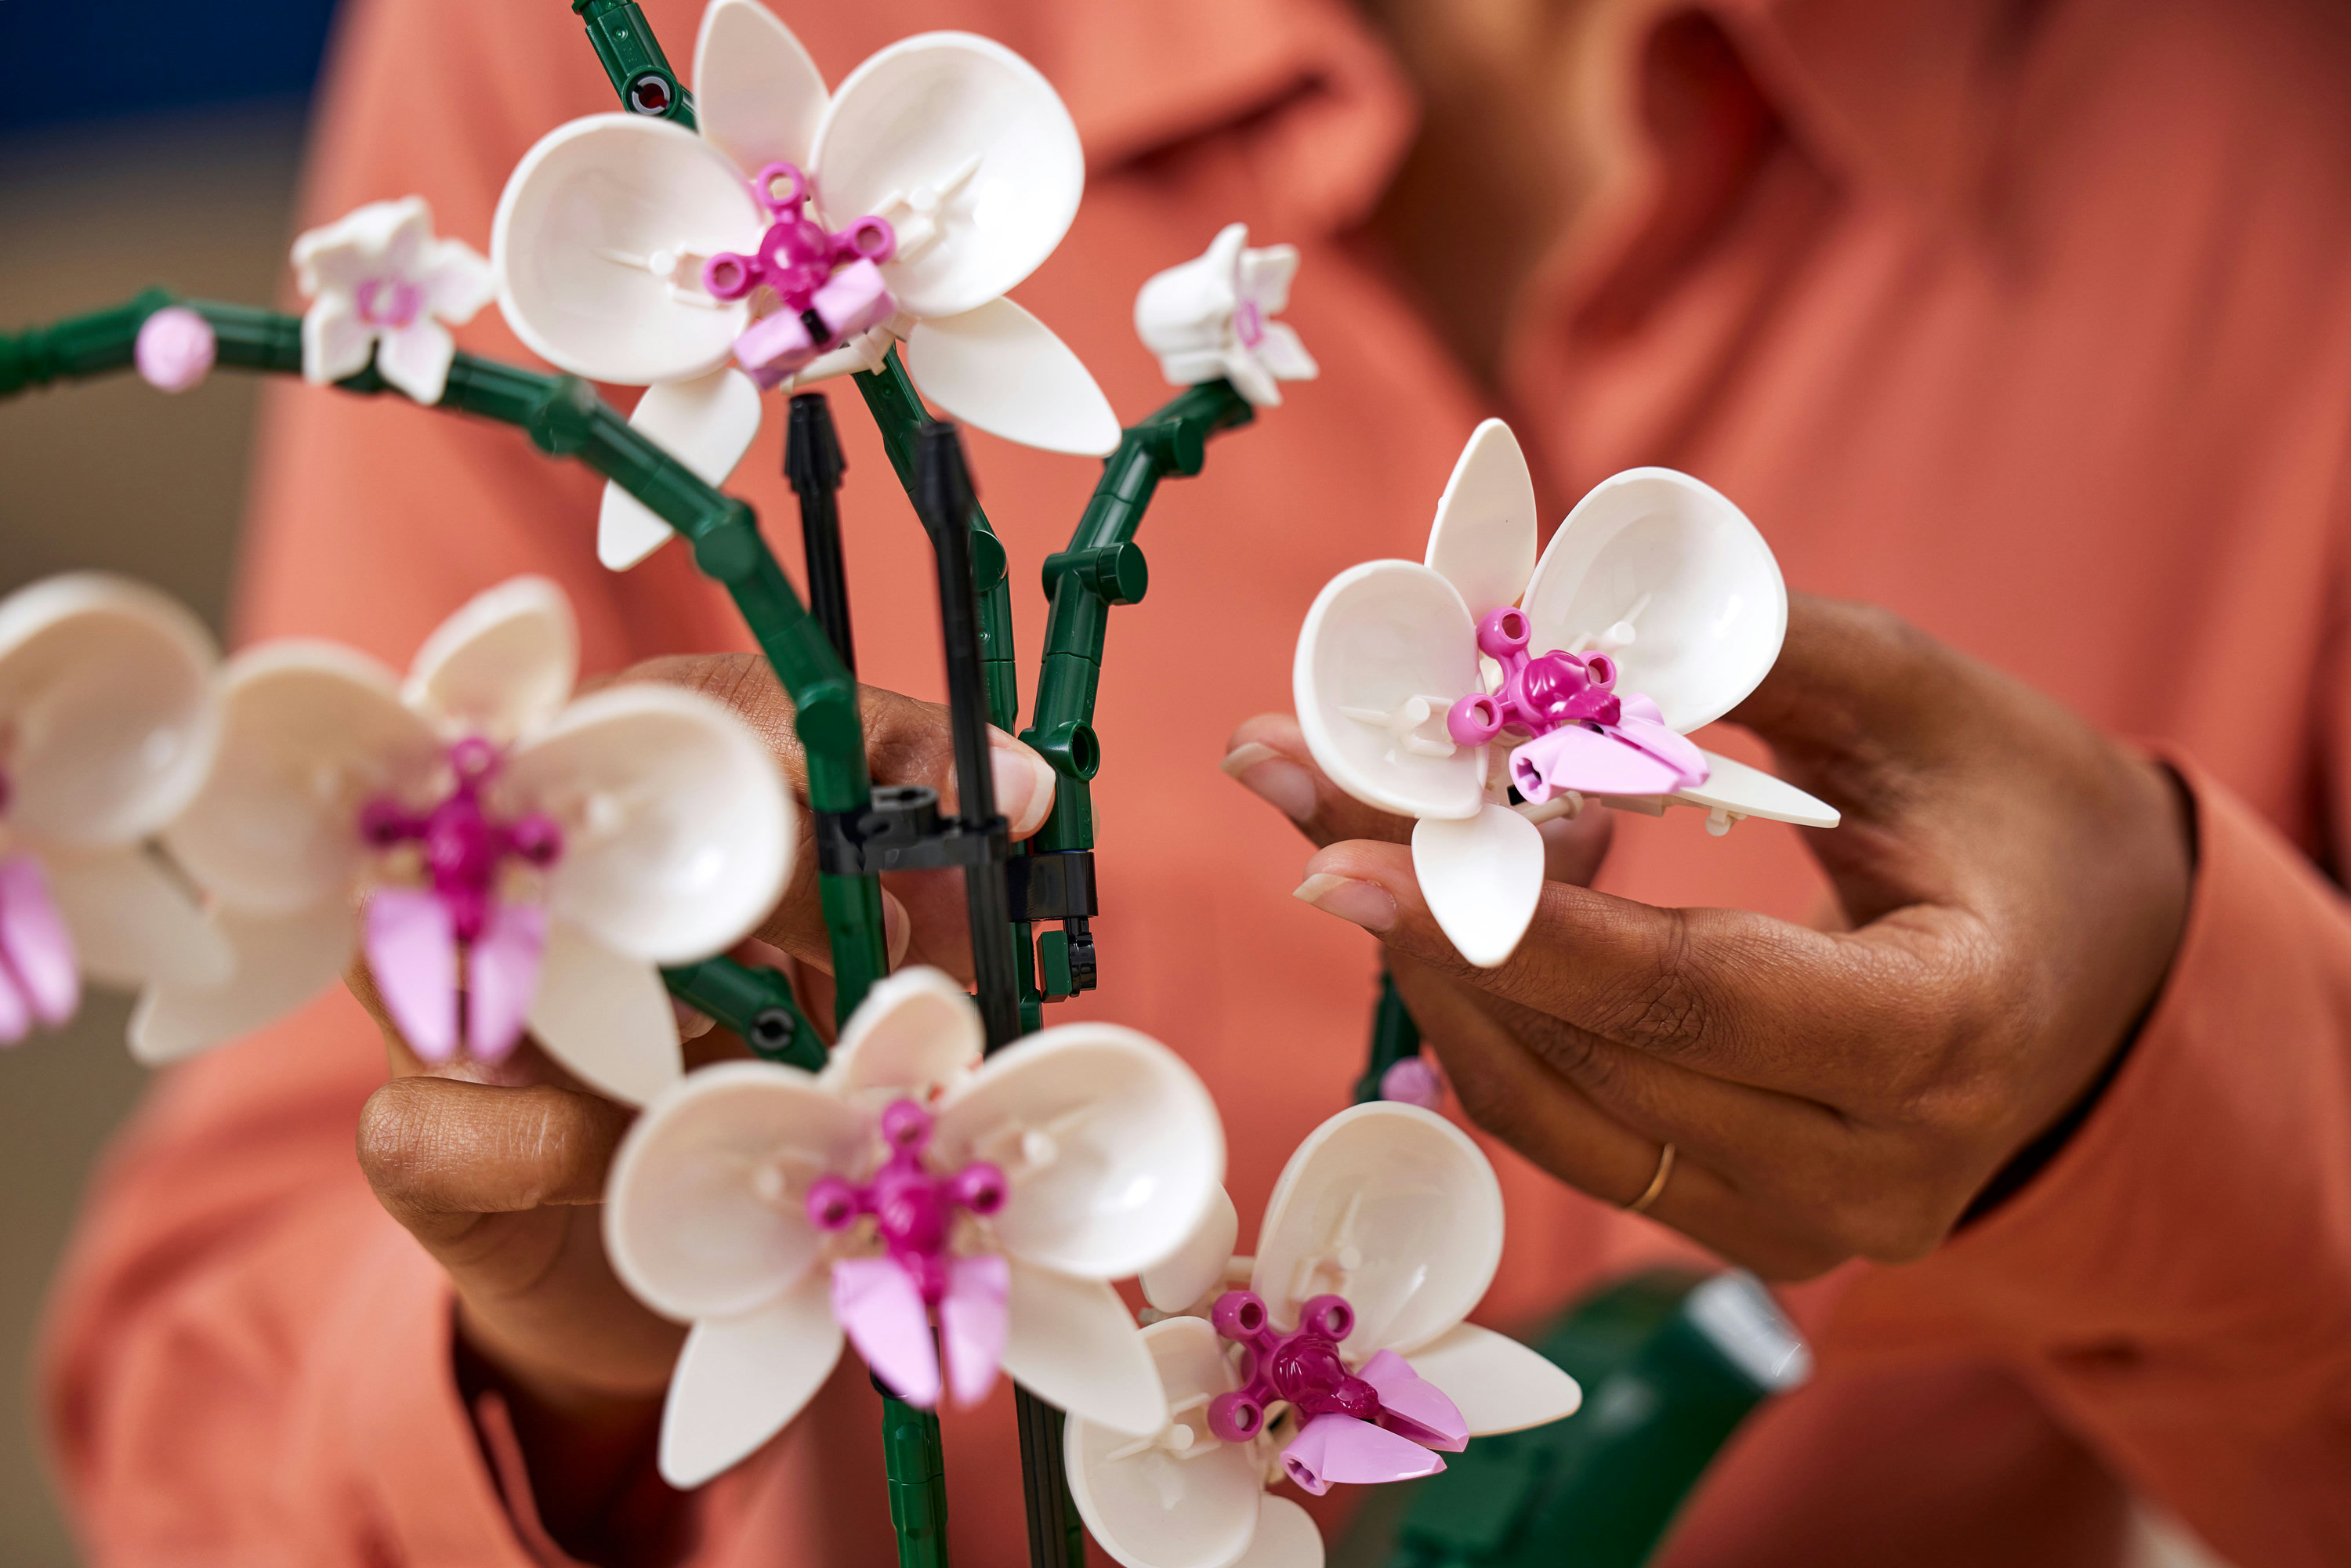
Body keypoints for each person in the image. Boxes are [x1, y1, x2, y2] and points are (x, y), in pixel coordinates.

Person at [38, 0, 2351, 1563]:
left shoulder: (2275, 151)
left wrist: (2162, 1084)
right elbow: (197, 1392)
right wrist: (569, 1329)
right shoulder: (562, 71)